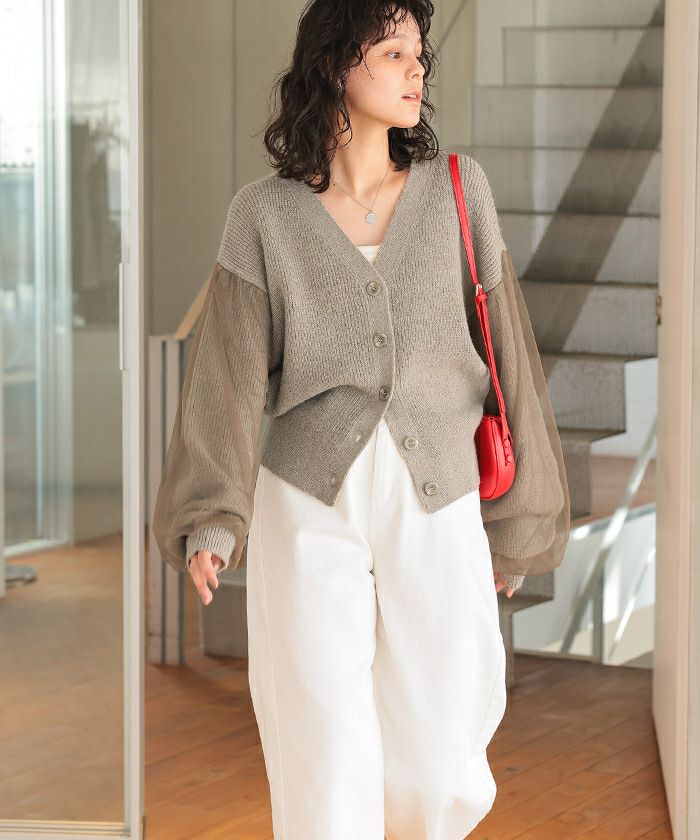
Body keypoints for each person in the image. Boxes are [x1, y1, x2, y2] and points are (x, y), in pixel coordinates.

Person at [152, 1, 570, 837]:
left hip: (438, 491)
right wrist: (212, 520)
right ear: (337, 65)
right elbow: (227, 378)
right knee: (319, 735)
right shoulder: (262, 217)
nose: (417, 69)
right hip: (309, 500)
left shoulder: (459, 194)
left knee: (442, 742)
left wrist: (519, 521)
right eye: (393, 52)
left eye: (420, 53)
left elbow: (512, 360)